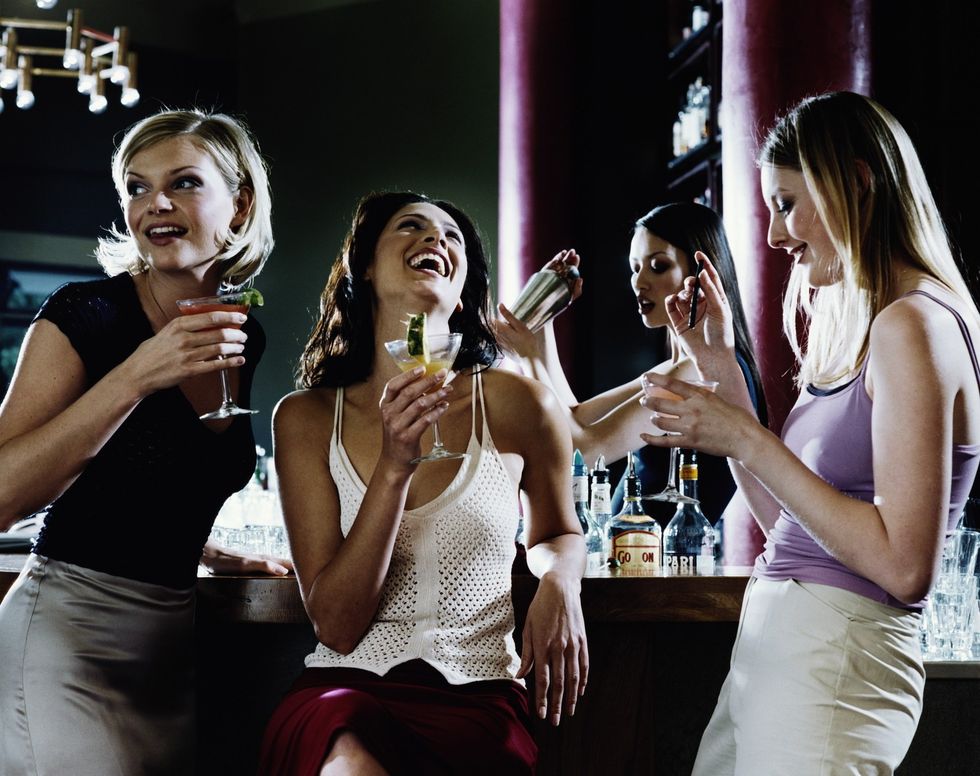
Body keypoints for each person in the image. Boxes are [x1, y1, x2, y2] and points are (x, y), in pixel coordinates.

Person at [640, 91, 980, 773]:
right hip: (781, 654)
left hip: (835, 663)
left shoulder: (912, 326)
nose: (772, 236)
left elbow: (905, 570)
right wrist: (722, 373)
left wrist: (747, 437)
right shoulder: (861, 323)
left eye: (787, 203)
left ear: (857, 183)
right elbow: (788, 522)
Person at [258, 191, 588, 775]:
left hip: (480, 696)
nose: (435, 239)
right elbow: (336, 625)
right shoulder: (305, 418)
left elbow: (559, 531)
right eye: (410, 226)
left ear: (463, 295)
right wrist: (393, 466)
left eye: (452, 236)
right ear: (364, 267)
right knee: (347, 758)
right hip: (346, 692)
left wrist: (561, 581)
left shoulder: (520, 405)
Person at [0, 108, 287, 776]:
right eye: (135, 187)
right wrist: (135, 376)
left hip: (167, 660)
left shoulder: (243, 332)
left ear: (240, 206)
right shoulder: (84, 316)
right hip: (64, 648)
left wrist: (202, 545)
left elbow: (156, 471)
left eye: (183, 182)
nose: (154, 203)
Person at [495, 202, 767, 527]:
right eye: (635, 268)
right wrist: (545, 325)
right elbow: (575, 415)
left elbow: (582, 451)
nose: (640, 282)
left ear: (701, 274)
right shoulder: (674, 369)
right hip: (632, 558)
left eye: (659, 266)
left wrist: (529, 357)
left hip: (658, 566)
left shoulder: (697, 373)